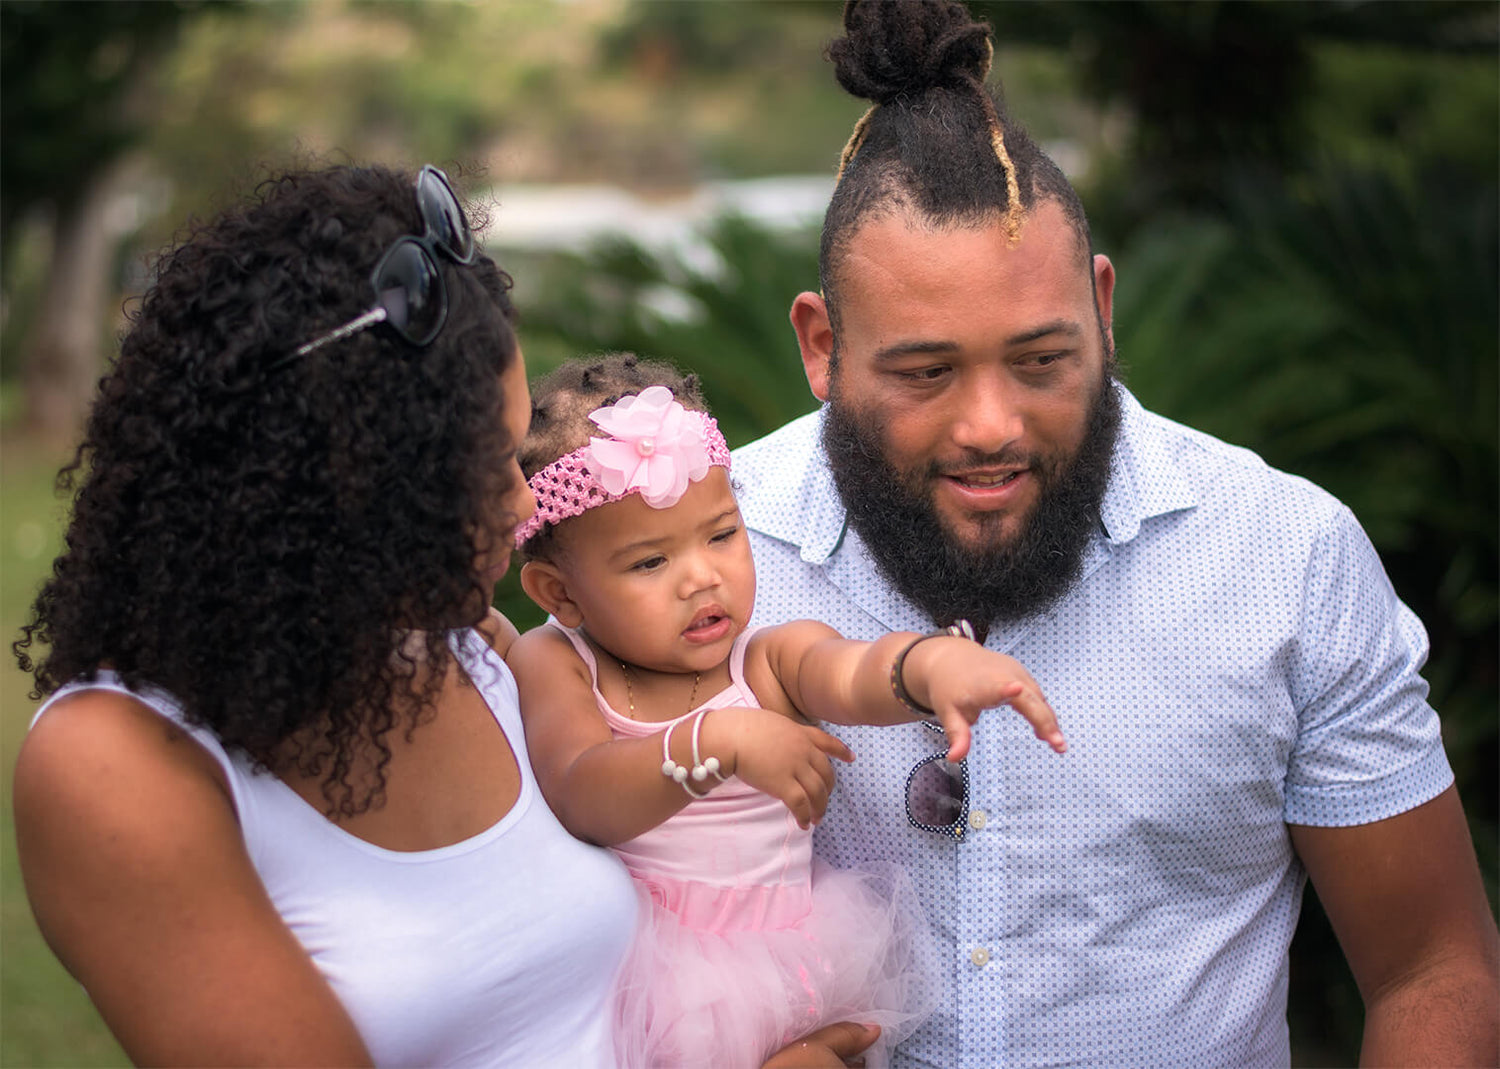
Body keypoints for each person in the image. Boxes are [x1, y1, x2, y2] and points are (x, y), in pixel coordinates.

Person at [731, 2, 1500, 1066]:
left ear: (1101, 309)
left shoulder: (1287, 559)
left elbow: (1434, 965)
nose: (992, 426)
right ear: (822, 347)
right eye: (925, 372)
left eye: (1042, 360)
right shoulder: (711, 556)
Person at [9, 163, 878, 1068]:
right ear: (341, 484)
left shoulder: (479, 654)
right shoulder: (118, 766)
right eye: (491, 464)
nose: (524, 503)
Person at [506, 354, 1066, 1068]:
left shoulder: (762, 659)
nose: (702, 576)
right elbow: (583, 791)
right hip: (642, 988)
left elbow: (852, 668)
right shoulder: (556, 662)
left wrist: (929, 665)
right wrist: (716, 738)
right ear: (559, 593)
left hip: (790, 971)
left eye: (720, 534)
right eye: (650, 562)